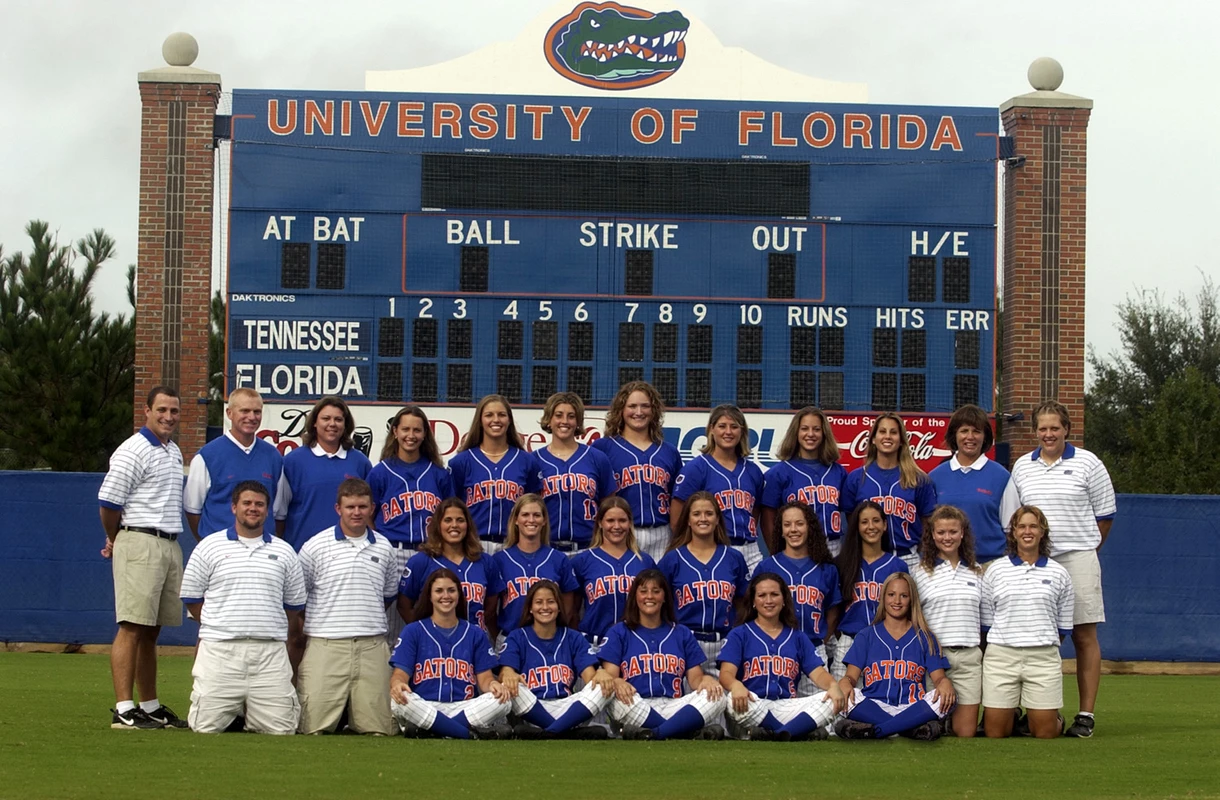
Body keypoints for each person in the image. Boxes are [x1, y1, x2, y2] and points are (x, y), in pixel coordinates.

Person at [1003, 400, 1116, 738]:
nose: (1048, 434)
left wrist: (1087, 550)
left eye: (1055, 428)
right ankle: (1036, 711)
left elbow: (1106, 515)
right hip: (1036, 563)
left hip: (1079, 558)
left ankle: (1085, 716)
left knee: (1084, 636)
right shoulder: (1023, 466)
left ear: (1067, 429)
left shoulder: (1089, 463)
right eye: (1043, 428)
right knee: (1036, 639)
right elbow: (1015, 518)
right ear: (1035, 431)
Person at [179, 481, 306, 734]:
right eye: (247, 503)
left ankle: (249, 714)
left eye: (259, 504)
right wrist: (218, 624)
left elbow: (294, 605)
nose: (253, 508)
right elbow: (192, 597)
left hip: (269, 652)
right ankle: (233, 713)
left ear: (267, 510)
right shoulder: (209, 547)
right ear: (234, 507)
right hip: (221, 651)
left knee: (282, 730)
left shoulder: (284, 552)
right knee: (205, 728)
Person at [97, 385, 189, 729]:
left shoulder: (172, 450)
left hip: (168, 543)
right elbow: (108, 503)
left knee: (152, 631)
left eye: (174, 411)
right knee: (132, 626)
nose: (168, 417)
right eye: (162, 410)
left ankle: (149, 706)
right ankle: (124, 708)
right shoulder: (133, 450)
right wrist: (116, 538)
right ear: (146, 411)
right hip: (139, 541)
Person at [296, 478, 398, 735]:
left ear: (371, 508)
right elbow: (299, 596)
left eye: (362, 507)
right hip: (326, 645)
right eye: (350, 507)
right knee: (312, 728)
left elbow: (386, 596)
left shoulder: (384, 547)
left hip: (372, 645)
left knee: (380, 730)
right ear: (338, 509)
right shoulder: (314, 546)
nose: (356, 512)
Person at [596, 569, 728, 740]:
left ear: (664, 597)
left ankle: (655, 733)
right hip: (636, 703)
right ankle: (683, 731)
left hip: (674, 706)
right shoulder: (619, 631)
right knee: (612, 697)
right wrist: (617, 681)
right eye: (643, 591)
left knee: (718, 697)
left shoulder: (681, 633)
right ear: (635, 597)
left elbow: (695, 680)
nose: (649, 596)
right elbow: (610, 677)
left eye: (656, 591)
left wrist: (707, 680)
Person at [981, 505, 1074, 739]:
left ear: (1043, 532)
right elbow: (987, 621)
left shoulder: (1059, 573)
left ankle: (1052, 718)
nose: (1027, 531)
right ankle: (1012, 712)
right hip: (1002, 657)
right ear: (1013, 532)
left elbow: (1062, 626)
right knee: (995, 733)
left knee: (1045, 733)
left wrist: (1036, 638)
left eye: (1033, 526)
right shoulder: (995, 571)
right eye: (1021, 526)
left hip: (1043, 658)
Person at [718, 573, 846, 741]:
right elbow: (726, 674)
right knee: (730, 701)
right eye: (762, 595)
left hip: (785, 707)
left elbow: (818, 673)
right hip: (751, 705)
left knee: (831, 701)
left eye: (774, 594)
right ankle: (795, 732)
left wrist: (833, 685)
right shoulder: (739, 634)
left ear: (784, 600)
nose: (768, 600)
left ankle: (775, 734)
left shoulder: (798, 637)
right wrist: (735, 685)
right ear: (754, 602)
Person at [389, 569, 511, 739]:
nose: (445, 595)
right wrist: (398, 684)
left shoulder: (475, 632)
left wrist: (493, 685)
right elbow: (400, 675)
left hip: (464, 707)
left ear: (459, 595)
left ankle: (433, 730)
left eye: (451, 590)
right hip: (426, 705)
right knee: (398, 700)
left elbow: (485, 679)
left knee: (503, 700)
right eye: (439, 591)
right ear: (429, 596)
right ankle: (466, 733)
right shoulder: (413, 631)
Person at [367, 405, 453, 640]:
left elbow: (451, 513)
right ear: (394, 431)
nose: (411, 435)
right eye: (405, 429)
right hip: (393, 550)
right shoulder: (380, 472)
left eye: (417, 430)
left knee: (429, 616)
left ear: (425, 434)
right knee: (390, 624)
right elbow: (367, 514)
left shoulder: (438, 473)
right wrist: (380, 544)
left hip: (430, 552)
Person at [835, 572, 954, 741]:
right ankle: (910, 729)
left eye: (904, 596)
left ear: (911, 600)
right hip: (873, 706)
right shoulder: (866, 635)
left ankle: (876, 731)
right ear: (883, 598)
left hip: (913, 707)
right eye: (891, 595)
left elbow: (939, 678)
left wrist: (945, 683)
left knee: (946, 696)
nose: (897, 601)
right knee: (843, 695)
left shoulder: (925, 637)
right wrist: (844, 683)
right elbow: (850, 678)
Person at [499, 580, 612, 737]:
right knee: (508, 686)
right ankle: (569, 733)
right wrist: (509, 674)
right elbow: (505, 672)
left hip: (568, 710)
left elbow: (590, 679)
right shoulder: (517, 636)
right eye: (539, 602)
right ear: (530, 608)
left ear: (559, 607)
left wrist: (600, 674)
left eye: (551, 602)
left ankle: (550, 732)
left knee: (603, 686)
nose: (545, 607)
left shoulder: (573, 637)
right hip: (532, 708)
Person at [658, 491, 749, 678]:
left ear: (717, 519)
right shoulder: (673, 559)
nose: (703, 519)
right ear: (688, 520)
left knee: (728, 703)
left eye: (709, 513)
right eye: (696, 514)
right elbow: (659, 606)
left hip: (724, 644)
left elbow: (742, 605)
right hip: (684, 643)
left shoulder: (733, 558)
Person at [753, 502, 841, 693]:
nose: (793, 529)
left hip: (815, 651)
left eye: (799, 524)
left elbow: (833, 612)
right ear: (781, 530)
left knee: (821, 717)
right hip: (776, 652)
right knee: (778, 715)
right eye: (787, 524)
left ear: (809, 527)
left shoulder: (826, 568)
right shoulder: (767, 567)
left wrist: (820, 641)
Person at [912, 505, 984, 737]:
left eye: (953, 532)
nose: (947, 537)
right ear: (932, 535)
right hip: (934, 660)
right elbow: (913, 621)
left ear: (962, 533)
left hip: (968, 658)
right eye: (941, 532)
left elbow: (986, 622)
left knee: (965, 732)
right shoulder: (920, 572)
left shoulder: (978, 571)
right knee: (930, 730)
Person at [592, 381, 683, 563]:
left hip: (662, 532)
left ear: (654, 410)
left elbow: (678, 499)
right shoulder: (603, 448)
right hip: (622, 532)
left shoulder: (669, 451)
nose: (639, 412)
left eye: (645, 406)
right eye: (632, 406)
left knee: (660, 590)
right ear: (621, 410)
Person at [671, 404, 765, 571]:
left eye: (734, 426)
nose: (728, 432)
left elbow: (755, 511)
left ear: (742, 431)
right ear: (711, 430)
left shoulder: (753, 471)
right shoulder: (696, 468)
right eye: (722, 426)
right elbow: (677, 518)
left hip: (750, 549)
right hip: (715, 547)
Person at [183, 388, 283, 540]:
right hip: (219, 551)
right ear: (229, 413)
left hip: (262, 551)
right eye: (244, 411)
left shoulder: (273, 456)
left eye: (257, 412)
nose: (251, 417)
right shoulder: (207, 456)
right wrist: (208, 543)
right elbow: (192, 509)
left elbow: (277, 511)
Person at [275, 396, 373, 550]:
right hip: (302, 553)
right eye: (326, 418)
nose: (332, 424)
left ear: (346, 424)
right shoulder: (292, 462)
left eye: (338, 419)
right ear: (314, 422)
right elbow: (280, 515)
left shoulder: (360, 462)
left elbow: (370, 513)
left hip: (350, 554)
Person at [841, 413, 937, 566]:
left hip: (907, 557)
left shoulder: (919, 479)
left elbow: (928, 523)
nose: (888, 436)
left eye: (893, 432)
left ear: (901, 441)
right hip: (868, 558)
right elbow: (851, 522)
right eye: (882, 431)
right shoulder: (856, 478)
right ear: (873, 439)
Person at [397, 498, 500, 639]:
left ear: (468, 525)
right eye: (448, 520)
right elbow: (404, 606)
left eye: (460, 520)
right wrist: (424, 634)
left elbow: (491, 607)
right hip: (434, 644)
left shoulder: (485, 561)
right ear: (438, 525)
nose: (454, 525)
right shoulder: (420, 561)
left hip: (475, 642)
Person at [449, 394, 538, 554]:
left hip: (514, 544)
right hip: (473, 544)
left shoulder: (526, 461)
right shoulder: (461, 462)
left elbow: (533, 504)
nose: (496, 420)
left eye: (501, 415)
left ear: (509, 420)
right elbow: (452, 506)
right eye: (489, 415)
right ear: (480, 421)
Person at [829, 500, 907, 679]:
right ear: (856, 527)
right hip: (849, 642)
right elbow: (833, 609)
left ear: (885, 525)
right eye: (864, 522)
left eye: (876, 521)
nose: (871, 527)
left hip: (885, 641)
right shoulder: (842, 564)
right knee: (842, 702)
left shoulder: (897, 566)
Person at [534, 392, 617, 553]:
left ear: (578, 422)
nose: (564, 421)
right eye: (558, 415)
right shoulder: (534, 460)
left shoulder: (597, 458)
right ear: (549, 420)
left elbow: (609, 507)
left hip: (588, 548)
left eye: (571, 416)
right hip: (546, 549)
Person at [928, 405, 1011, 564]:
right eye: (964, 431)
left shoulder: (1002, 477)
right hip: (946, 566)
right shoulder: (935, 477)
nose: (970, 437)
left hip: (990, 565)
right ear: (955, 435)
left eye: (976, 431)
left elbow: (1010, 529)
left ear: (985, 437)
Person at [760, 407, 848, 556]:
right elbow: (768, 517)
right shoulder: (779, 473)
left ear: (824, 433)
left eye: (816, 429)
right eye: (804, 429)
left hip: (833, 546)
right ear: (796, 433)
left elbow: (849, 514)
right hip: (796, 547)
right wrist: (776, 553)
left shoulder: (838, 472)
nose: (810, 434)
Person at [491, 494, 579, 643]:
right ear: (516, 520)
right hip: (510, 639)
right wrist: (499, 639)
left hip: (550, 640)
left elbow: (568, 610)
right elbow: (490, 611)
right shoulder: (500, 560)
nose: (531, 520)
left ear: (544, 520)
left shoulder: (558, 559)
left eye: (537, 515)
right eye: (525, 515)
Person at [570, 496, 656, 648]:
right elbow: (572, 611)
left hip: (636, 644)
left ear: (630, 523)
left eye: (622, 520)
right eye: (610, 521)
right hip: (594, 644)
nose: (616, 526)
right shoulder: (582, 561)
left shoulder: (645, 561)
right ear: (600, 523)